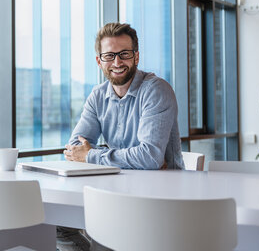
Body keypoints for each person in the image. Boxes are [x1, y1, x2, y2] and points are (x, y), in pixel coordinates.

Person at [64, 22, 184, 170]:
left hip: (164, 188)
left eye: (124, 54)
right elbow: (74, 149)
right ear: (99, 62)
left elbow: (150, 158)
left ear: (136, 57)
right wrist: (126, 158)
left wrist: (92, 155)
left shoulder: (156, 90)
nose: (117, 62)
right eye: (109, 56)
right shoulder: (98, 96)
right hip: (117, 185)